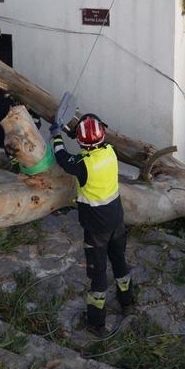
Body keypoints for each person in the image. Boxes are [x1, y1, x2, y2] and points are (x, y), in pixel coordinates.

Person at [50, 106, 134, 333]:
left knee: (97, 274)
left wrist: (56, 135)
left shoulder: (83, 164)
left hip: (96, 228)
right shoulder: (109, 152)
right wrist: (74, 133)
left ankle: (96, 322)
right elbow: (90, 144)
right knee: (119, 261)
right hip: (117, 219)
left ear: (82, 143)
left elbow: (62, 158)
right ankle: (128, 303)